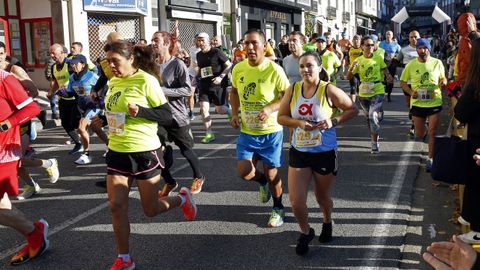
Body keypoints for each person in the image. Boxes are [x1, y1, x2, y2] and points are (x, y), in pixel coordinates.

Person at [103, 40, 197, 269]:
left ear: (131, 59)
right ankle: (124, 258)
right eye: (108, 62)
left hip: (144, 151)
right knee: (116, 205)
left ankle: (182, 199)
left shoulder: (147, 81)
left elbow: (166, 116)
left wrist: (141, 111)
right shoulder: (113, 82)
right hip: (117, 151)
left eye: (116, 61)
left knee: (150, 210)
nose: (112, 66)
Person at [278, 51, 357, 256]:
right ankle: (305, 232)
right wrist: (298, 123)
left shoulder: (328, 89)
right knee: (296, 201)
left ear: (320, 68)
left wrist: (334, 121)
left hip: (324, 152)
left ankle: (327, 220)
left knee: (322, 197)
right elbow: (281, 117)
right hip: (300, 151)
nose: (305, 69)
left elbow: (352, 109)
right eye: (302, 66)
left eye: (310, 65)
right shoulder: (293, 89)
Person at [230, 29, 290, 228]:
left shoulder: (274, 70)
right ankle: (261, 180)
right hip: (248, 132)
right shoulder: (238, 69)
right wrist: (234, 113)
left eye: (254, 43)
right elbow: (235, 92)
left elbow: (285, 96)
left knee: (274, 174)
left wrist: (270, 107)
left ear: (264, 46)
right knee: (244, 172)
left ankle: (278, 207)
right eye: (246, 43)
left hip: (270, 132)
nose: (250, 47)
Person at [0, 68, 50, 266]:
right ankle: (34, 232)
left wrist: (5, 124)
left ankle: (34, 233)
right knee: (2, 206)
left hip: (3, 153)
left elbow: (32, 109)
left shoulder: (4, 78)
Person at [151, 31, 206, 195]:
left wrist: (163, 91)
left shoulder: (177, 64)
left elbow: (187, 89)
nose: (153, 43)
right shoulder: (152, 65)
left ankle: (199, 176)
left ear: (167, 43)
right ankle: (169, 181)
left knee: (186, 149)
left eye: (156, 40)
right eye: (152, 40)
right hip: (158, 116)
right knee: (154, 150)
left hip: (176, 115)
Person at [400, 38, 446, 172]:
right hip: (418, 103)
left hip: (434, 101)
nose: (422, 50)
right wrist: (410, 92)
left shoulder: (437, 63)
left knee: (432, 132)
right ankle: (423, 126)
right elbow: (402, 82)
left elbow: (443, 77)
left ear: (429, 49)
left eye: (425, 48)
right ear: (417, 50)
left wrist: (443, 81)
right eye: (420, 48)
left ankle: (430, 159)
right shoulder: (411, 65)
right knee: (420, 134)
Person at [346, 35, 393, 154]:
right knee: (369, 118)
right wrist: (351, 68)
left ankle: (374, 143)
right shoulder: (358, 60)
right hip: (363, 92)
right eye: (368, 45)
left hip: (377, 89)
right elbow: (348, 77)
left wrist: (388, 76)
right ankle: (374, 138)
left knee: (372, 116)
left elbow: (384, 69)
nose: (371, 47)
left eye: (372, 45)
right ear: (362, 47)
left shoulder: (378, 58)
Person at [454, 38, 480, 244]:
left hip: (477, 142)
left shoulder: (476, 81)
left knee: (476, 183)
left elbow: (461, 112)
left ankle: (477, 229)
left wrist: (458, 95)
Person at [196, 32, 232, 143]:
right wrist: (195, 78)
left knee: (220, 110)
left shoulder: (217, 52)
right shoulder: (198, 55)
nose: (200, 43)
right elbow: (201, 68)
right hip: (204, 85)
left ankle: (230, 112)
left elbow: (229, 65)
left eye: (202, 40)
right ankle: (209, 133)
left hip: (217, 85)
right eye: (198, 40)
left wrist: (221, 77)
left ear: (208, 41)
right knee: (204, 109)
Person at [48, 43, 83, 155]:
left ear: (62, 52)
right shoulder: (53, 67)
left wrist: (82, 95)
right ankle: (78, 144)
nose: (52, 55)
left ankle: (88, 129)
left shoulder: (70, 64)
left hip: (74, 97)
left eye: (54, 53)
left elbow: (78, 79)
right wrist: (51, 92)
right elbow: (55, 83)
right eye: (50, 53)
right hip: (63, 98)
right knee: (65, 123)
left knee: (75, 122)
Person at [67, 54, 101, 165]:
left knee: (81, 127)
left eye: (75, 64)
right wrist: (63, 93)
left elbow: (104, 87)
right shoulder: (72, 77)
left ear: (83, 64)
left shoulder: (92, 76)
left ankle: (86, 154)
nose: (73, 66)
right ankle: (111, 147)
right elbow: (71, 92)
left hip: (94, 106)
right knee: (96, 129)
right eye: (72, 63)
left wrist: (98, 98)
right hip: (82, 106)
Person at [397, 30, 420, 137]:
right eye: (411, 37)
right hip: (407, 82)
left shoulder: (424, 49)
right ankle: (414, 118)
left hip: (420, 83)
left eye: (415, 37)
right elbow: (397, 61)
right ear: (409, 38)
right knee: (409, 104)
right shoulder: (404, 50)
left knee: (415, 104)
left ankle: (413, 126)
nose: (413, 39)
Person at [379, 31, 401, 102]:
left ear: (392, 36)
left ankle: (388, 95)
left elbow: (400, 53)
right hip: (383, 63)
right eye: (387, 34)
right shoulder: (381, 43)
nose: (388, 36)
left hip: (392, 63)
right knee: (384, 79)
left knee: (390, 79)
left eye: (389, 34)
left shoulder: (395, 44)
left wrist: (395, 56)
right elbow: (377, 52)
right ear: (385, 35)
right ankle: (384, 91)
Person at [348, 35, 362, 102]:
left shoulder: (363, 48)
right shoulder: (349, 49)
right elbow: (346, 57)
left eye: (357, 39)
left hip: (361, 70)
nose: (356, 41)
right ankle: (352, 103)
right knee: (353, 87)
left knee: (361, 87)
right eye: (354, 39)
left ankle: (361, 101)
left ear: (360, 41)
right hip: (352, 70)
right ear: (352, 41)